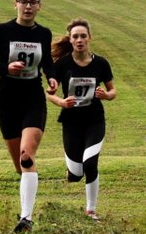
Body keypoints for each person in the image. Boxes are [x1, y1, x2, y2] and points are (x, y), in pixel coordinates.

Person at [0, 0, 58, 233]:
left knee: (27, 156)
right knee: (19, 166)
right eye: (24, 1)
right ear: (16, 4)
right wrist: (6, 68)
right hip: (7, 100)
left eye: (33, 2)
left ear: (39, 6)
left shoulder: (43, 34)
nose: (28, 6)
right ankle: (26, 206)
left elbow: (47, 63)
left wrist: (52, 77)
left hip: (33, 99)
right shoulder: (2, 31)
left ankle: (26, 218)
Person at [48, 18, 117, 221]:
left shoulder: (101, 63)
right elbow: (49, 93)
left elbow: (113, 91)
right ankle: (72, 172)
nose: (79, 40)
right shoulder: (62, 64)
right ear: (70, 40)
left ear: (89, 38)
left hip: (95, 120)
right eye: (75, 36)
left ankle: (91, 210)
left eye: (83, 36)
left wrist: (106, 95)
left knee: (90, 163)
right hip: (71, 122)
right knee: (77, 173)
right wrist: (61, 102)